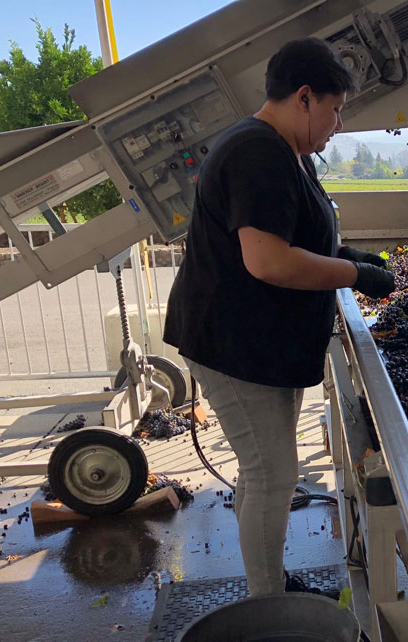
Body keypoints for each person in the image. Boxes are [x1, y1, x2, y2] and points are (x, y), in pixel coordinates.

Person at [163, 38, 395, 596]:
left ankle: (269, 583)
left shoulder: (286, 150)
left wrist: (347, 256)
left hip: (262, 343)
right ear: (305, 96)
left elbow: (293, 233)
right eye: (336, 109)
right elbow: (268, 260)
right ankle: (269, 603)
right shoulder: (257, 153)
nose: (338, 123)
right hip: (235, 344)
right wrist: (353, 277)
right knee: (273, 473)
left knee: (264, 468)